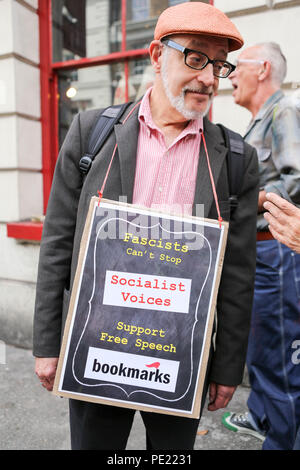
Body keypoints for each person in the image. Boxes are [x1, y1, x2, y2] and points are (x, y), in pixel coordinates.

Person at [33, 2, 259, 450]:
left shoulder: (235, 160)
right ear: (157, 56)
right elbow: (58, 239)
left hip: (181, 356)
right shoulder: (90, 133)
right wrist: (46, 343)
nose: (209, 78)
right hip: (97, 343)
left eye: (218, 64)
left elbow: (237, 274)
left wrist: (227, 368)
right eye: (196, 58)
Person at [222, 42, 300, 450]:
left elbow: (296, 183)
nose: (230, 75)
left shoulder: (285, 111)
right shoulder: (256, 123)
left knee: (279, 353)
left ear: (263, 68)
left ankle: (283, 440)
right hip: (258, 251)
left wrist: (238, 200)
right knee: (259, 348)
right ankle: (262, 416)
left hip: (278, 251)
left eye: (237, 66)